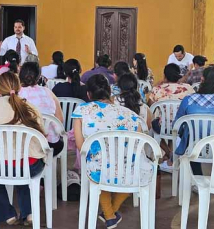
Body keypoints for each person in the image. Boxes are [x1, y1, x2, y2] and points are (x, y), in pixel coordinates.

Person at [72, 74, 152, 228]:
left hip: (98, 170)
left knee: (100, 167)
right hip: (131, 171)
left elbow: (80, 145)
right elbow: (141, 140)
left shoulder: (82, 110)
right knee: (137, 169)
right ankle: (110, 214)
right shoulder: (129, 114)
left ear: (88, 94)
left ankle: (109, 214)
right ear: (110, 91)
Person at [0, 72, 46, 226]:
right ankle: (29, 212)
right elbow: (42, 139)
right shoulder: (31, 106)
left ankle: (7, 213)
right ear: (19, 87)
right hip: (30, 166)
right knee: (22, 162)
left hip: (1, 167)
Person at [173, 65, 214, 176]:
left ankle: (197, 176)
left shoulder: (188, 100)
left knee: (189, 136)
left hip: (193, 147)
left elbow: (176, 125)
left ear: (202, 79)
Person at [19, 62, 64, 156]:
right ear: (39, 77)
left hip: (25, 144)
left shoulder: (16, 95)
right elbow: (60, 120)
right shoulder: (48, 92)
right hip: (50, 145)